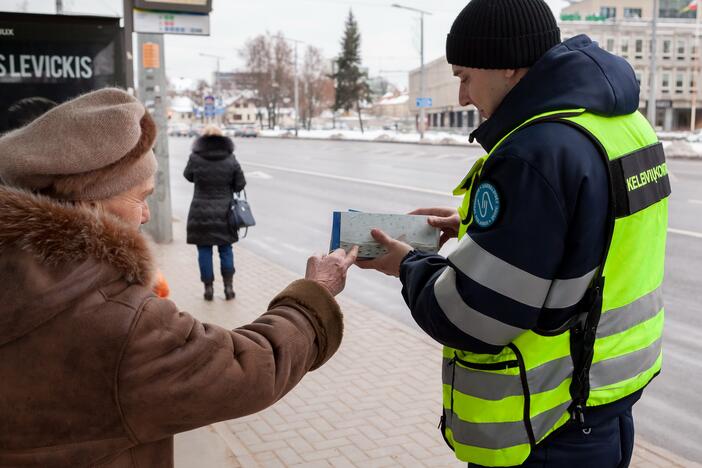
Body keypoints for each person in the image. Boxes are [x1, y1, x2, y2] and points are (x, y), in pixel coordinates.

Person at [358, 1, 670, 467]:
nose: (462, 96)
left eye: (464, 76)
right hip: (607, 401)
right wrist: (472, 230)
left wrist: (403, 263)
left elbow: (470, 317)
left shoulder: (533, 152)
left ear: (507, 65)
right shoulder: (625, 124)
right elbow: (586, 238)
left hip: (544, 423)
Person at [0, 88, 358, 467]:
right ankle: (226, 283)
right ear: (91, 205)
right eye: (141, 197)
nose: (145, 216)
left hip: (202, 218)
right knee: (224, 254)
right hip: (224, 221)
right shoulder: (116, 319)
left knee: (207, 255)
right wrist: (317, 292)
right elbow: (247, 367)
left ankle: (209, 284)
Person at [184, 124, 246, 301]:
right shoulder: (230, 158)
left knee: (204, 251)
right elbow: (240, 183)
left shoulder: (195, 157)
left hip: (200, 212)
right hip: (225, 212)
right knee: (226, 249)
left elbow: (188, 176)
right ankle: (228, 288)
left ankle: (208, 289)